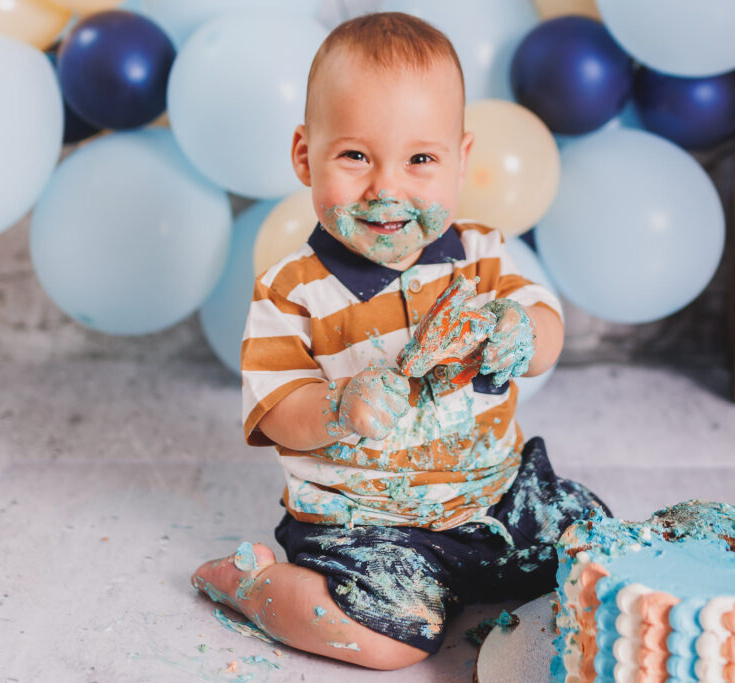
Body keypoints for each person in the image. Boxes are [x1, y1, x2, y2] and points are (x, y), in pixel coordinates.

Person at [191, 12, 607, 671]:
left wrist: (524, 332)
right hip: (364, 526)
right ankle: (256, 585)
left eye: (420, 159)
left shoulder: (482, 256)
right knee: (389, 640)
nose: (387, 187)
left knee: (599, 551)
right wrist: (336, 407)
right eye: (355, 155)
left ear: (461, 161)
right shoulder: (293, 289)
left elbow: (547, 330)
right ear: (305, 155)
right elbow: (278, 408)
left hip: (493, 496)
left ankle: (484, 573)